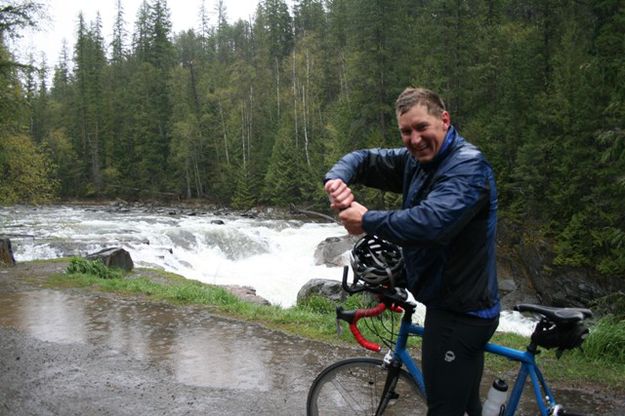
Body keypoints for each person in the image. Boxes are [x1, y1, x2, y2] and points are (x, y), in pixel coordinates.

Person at [323, 87, 500, 416]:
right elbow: (365, 159)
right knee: (465, 406)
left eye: (422, 128)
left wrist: (367, 220)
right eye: (406, 131)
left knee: (444, 409)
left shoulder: (467, 167)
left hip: (459, 312)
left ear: (444, 120)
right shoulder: (418, 161)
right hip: (455, 302)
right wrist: (336, 179)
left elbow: (432, 224)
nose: (415, 139)